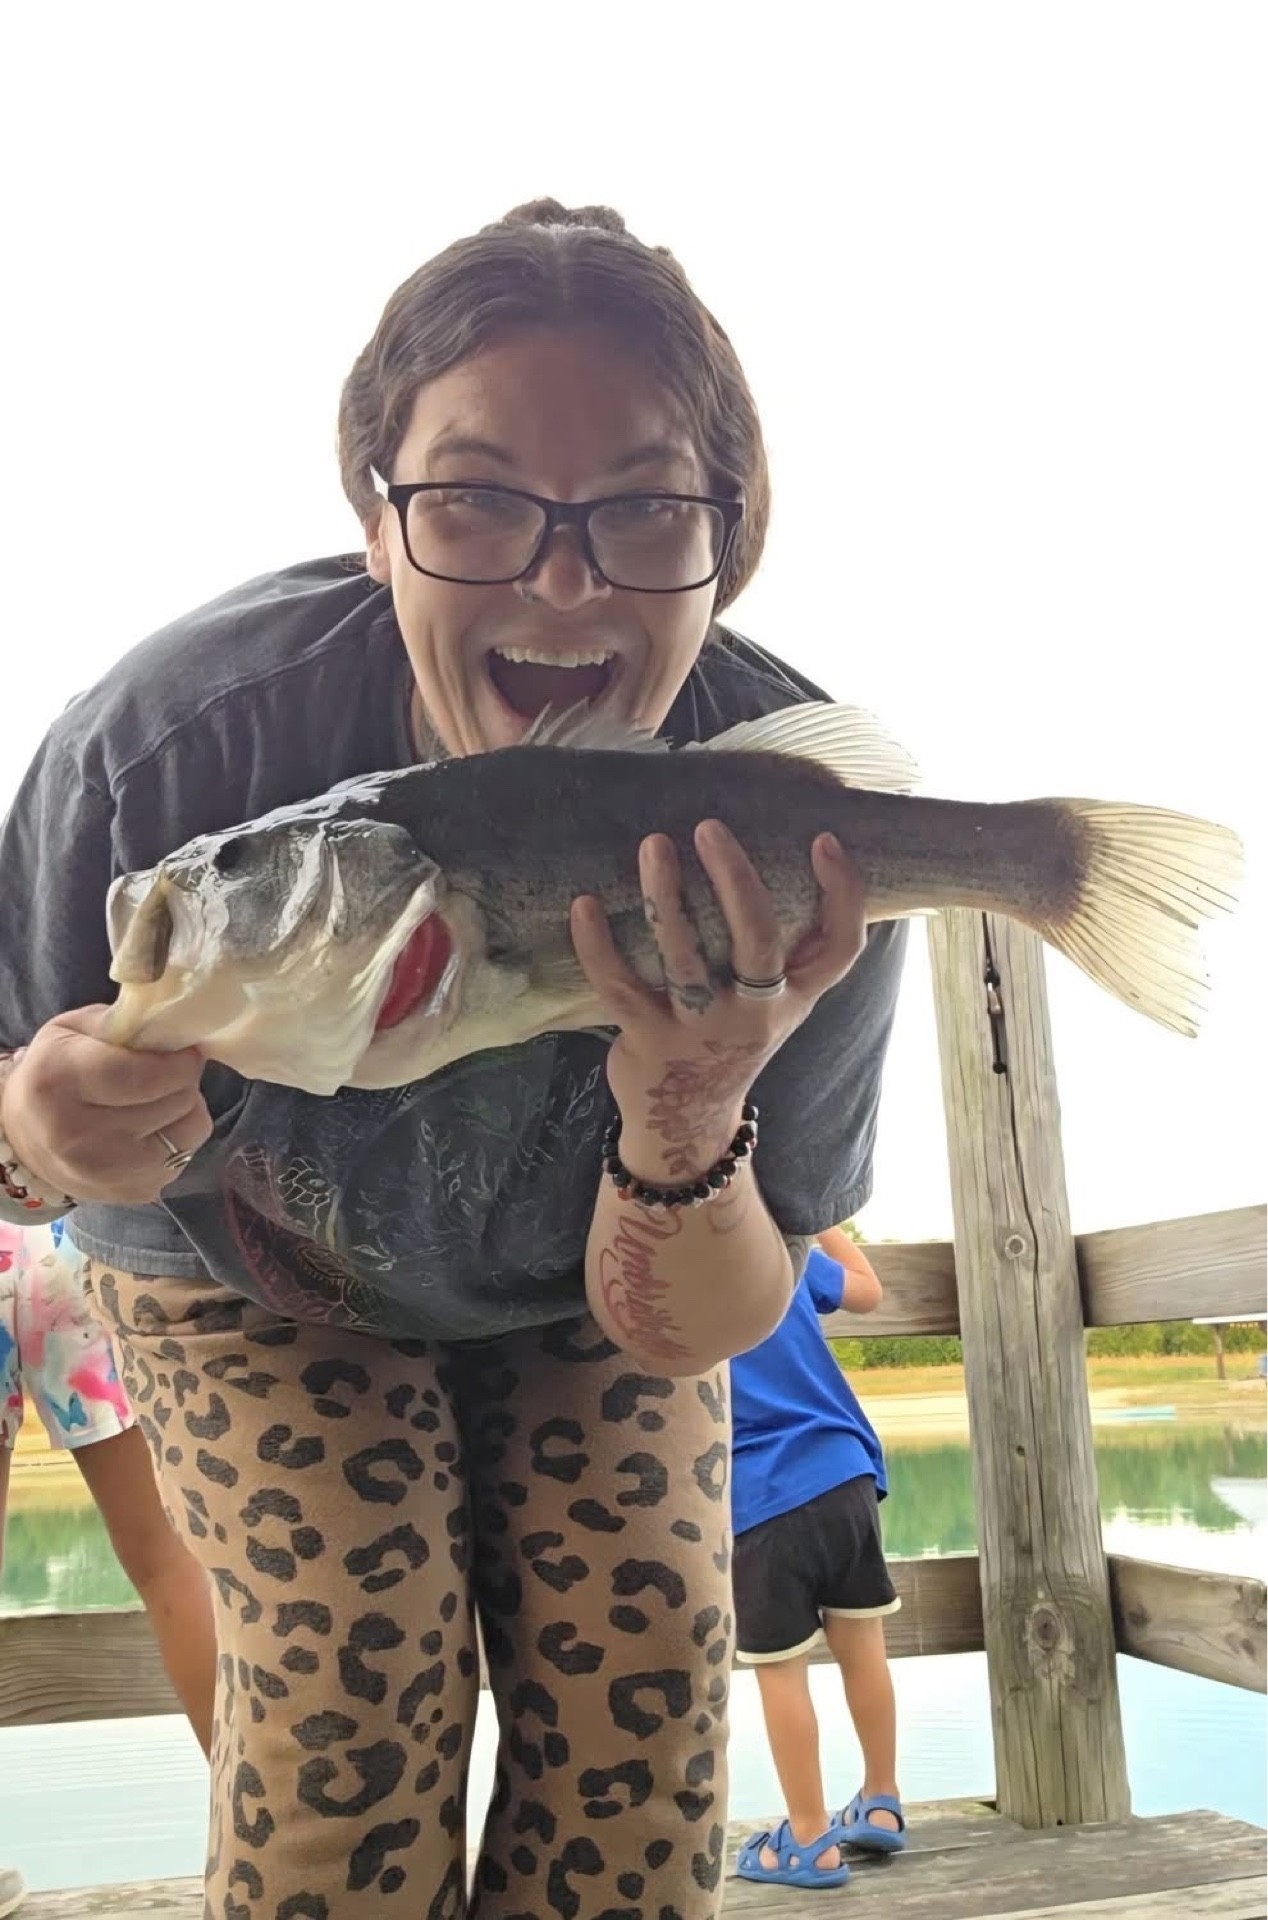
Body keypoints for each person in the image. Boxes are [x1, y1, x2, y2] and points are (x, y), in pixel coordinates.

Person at [0, 200, 907, 1916]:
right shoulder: (161, 756)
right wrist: (38, 1128)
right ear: (377, 522)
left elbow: (707, 1317)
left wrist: (689, 1109)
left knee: (647, 1671)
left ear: (728, 545)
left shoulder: (792, 825)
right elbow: (5, 1117)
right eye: (476, 498)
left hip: (592, 1274)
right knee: (347, 1670)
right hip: (236, 1267)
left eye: (644, 505)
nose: (562, 578)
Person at [0, 1219, 216, 1758]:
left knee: (173, 1563)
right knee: (171, 1561)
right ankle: (258, 1803)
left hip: (70, 1220)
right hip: (74, 1227)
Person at [731, 1226, 906, 1890]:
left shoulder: (671, 1277)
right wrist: (822, 1224)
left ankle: (808, 1838)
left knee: (781, 1673)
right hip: (843, 1472)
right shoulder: (785, 1254)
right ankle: (882, 1799)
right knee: (864, 1647)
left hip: (759, 1495)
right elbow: (867, 1290)